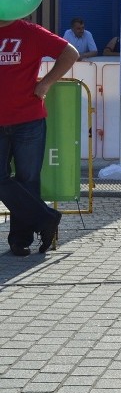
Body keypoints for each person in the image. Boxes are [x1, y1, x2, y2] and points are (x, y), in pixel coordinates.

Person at [0, 18, 79, 256]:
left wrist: (46, 83)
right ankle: (46, 218)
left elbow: (70, 53)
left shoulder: (30, 32)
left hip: (29, 119)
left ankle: (20, 241)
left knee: (28, 179)